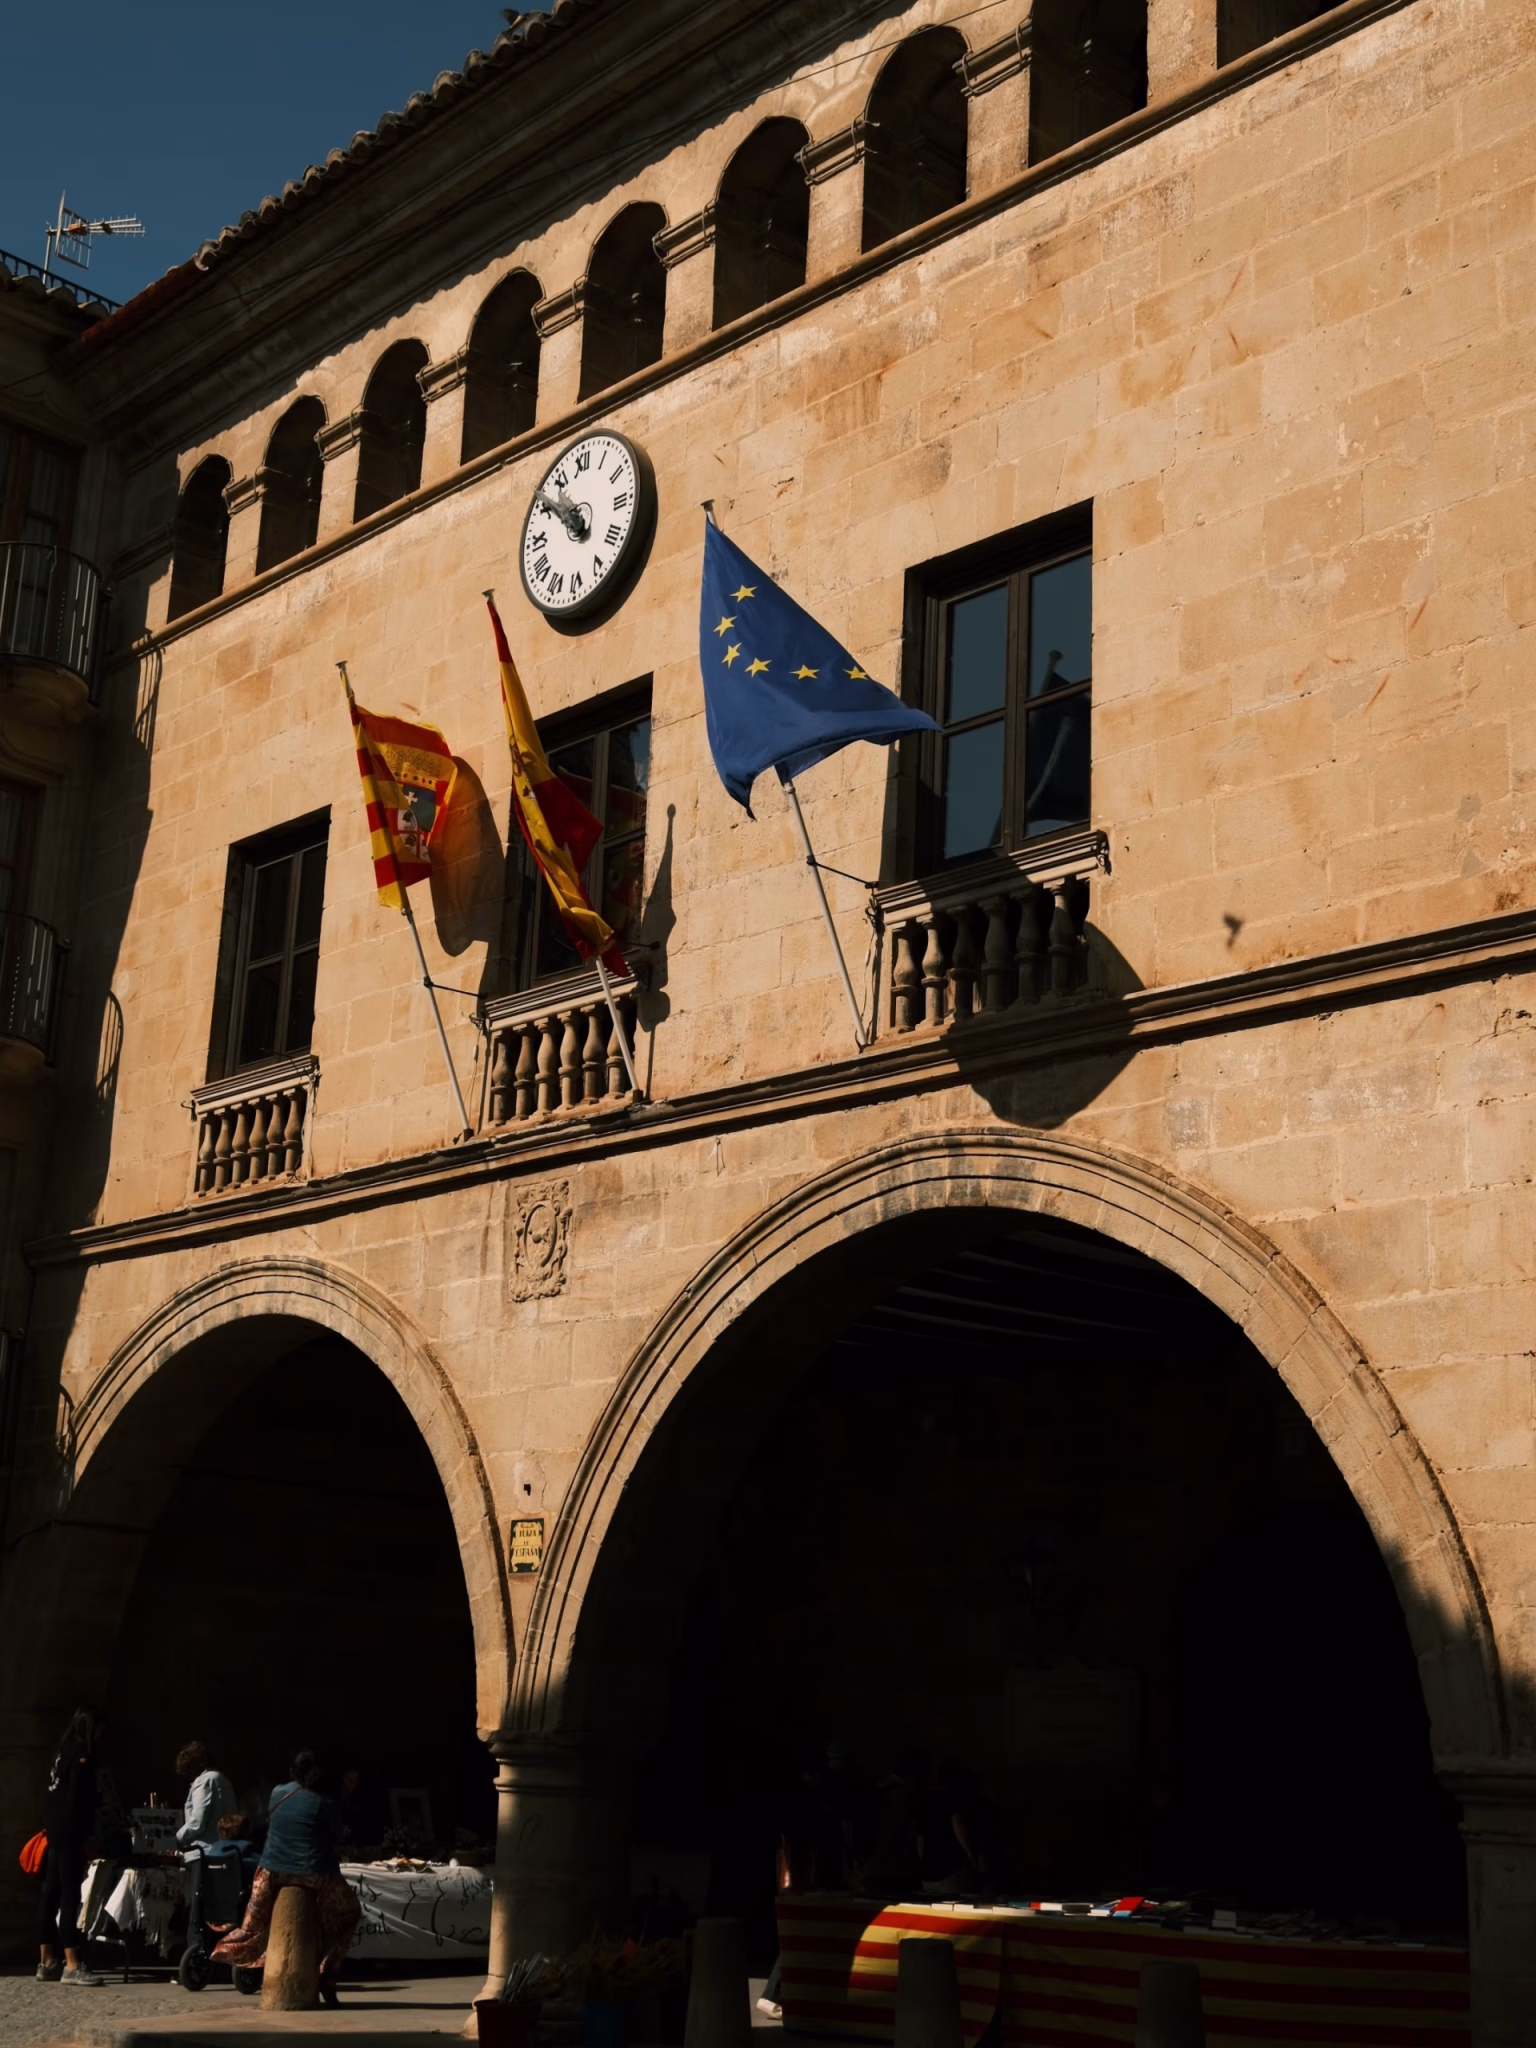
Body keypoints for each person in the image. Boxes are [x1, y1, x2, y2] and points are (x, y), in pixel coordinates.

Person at [210, 1750, 360, 2006]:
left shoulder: (278, 1793)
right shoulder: (326, 1801)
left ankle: (228, 1949)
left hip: (270, 1872)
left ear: (292, 1772)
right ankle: (329, 1971)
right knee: (349, 1912)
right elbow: (336, 1835)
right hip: (314, 1873)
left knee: (254, 1924)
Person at [37, 1705, 109, 1986]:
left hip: (55, 1831)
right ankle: (72, 1963)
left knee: (50, 1893)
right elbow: (79, 1800)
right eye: (100, 1728)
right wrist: (89, 1835)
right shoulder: (82, 1755)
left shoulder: (59, 1753)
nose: (101, 1735)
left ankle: (47, 1960)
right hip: (70, 1833)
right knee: (69, 1895)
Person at [174, 1741, 238, 1849]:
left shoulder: (205, 1781)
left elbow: (197, 1822)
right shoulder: (222, 1779)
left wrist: (178, 1837)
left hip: (204, 1851)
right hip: (224, 1847)